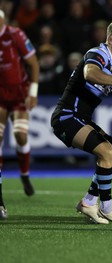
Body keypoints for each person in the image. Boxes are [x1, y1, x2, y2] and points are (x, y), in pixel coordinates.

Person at [50, 20, 112, 225]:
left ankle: (88, 202)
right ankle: (106, 207)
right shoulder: (98, 53)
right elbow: (90, 73)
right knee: (106, 151)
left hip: (81, 118)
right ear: (110, 39)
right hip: (66, 116)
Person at [0, 9, 39, 219]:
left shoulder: (15, 35)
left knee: (20, 135)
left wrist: (33, 92)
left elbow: (33, 63)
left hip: (19, 93)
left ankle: (24, 174)